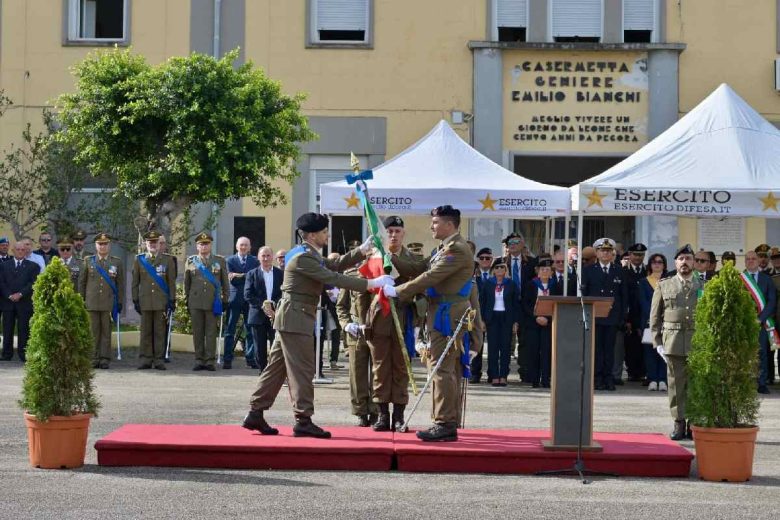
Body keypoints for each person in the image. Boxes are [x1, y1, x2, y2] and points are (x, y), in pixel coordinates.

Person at [242, 212, 392, 439]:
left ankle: (255, 412)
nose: (327, 235)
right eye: (324, 232)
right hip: (296, 318)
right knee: (302, 370)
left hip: (291, 316)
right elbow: (333, 277)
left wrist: (361, 251)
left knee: (276, 369)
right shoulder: (303, 258)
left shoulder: (304, 253)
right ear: (312, 235)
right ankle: (303, 420)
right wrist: (372, 283)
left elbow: (333, 264)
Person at [383, 206, 476, 442]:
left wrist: (398, 291)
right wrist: (390, 256)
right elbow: (418, 268)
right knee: (441, 368)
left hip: (448, 314)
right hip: (441, 311)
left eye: (435, 222)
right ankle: (444, 420)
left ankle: (444, 423)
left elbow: (430, 277)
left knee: (441, 368)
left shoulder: (456, 249)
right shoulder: (443, 248)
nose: (431, 226)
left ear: (449, 225)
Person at [366, 216, 420, 432]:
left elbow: (422, 290)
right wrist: (361, 321)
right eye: (389, 231)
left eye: (397, 231)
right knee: (380, 367)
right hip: (379, 319)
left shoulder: (413, 259)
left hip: (403, 318)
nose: (393, 235)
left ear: (403, 233)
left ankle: (398, 415)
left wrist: (418, 321)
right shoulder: (374, 256)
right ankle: (382, 414)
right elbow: (363, 290)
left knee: (401, 367)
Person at [650, 244, 702, 441]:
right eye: (681, 259)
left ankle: (694, 423)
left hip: (698, 341)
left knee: (696, 385)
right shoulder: (664, 285)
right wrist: (657, 342)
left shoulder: (703, 286)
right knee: (676, 385)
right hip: (673, 341)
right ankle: (679, 422)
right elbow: (655, 316)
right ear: (675, 263)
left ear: (694, 262)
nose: (684, 262)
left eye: (688, 259)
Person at [581, 238, 627, 391]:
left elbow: (623, 296)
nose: (605, 253)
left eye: (608, 251)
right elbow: (584, 294)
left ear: (613, 253)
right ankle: (597, 378)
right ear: (597, 253)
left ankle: (608, 378)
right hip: (595, 316)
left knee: (609, 350)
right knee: (597, 350)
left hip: (612, 316)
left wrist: (622, 317)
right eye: (602, 250)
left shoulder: (619, 270)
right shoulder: (589, 270)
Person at [336, 261, 378, 427]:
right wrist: (346, 324)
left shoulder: (381, 273)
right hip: (356, 330)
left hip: (377, 329)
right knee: (356, 372)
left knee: (377, 372)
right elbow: (341, 305)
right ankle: (360, 411)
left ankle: (375, 410)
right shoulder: (350, 275)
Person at [131, 231, 176, 371]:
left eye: (155, 242)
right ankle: (145, 359)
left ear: (159, 244)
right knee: (145, 332)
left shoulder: (167, 260)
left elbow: (171, 283)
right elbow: (135, 282)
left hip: (160, 302)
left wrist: (172, 299)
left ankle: (158, 360)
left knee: (159, 332)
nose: (152, 245)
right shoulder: (139, 260)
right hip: (145, 301)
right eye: (150, 242)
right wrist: (135, 299)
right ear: (146, 244)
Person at [78, 233, 124, 369]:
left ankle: (104, 358)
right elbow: (82, 282)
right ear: (95, 246)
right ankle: (93, 357)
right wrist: (81, 299)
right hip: (91, 302)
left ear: (109, 245)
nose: (102, 246)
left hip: (108, 303)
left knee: (106, 332)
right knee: (93, 331)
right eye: (100, 244)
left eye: (105, 244)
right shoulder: (88, 261)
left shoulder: (116, 262)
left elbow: (120, 284)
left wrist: (119, 301)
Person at [184, 232, 229, 371]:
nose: (204, 246)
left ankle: (210, 360)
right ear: (197, 246)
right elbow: (187, 283)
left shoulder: (219, 261)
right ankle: (199, 359)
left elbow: (225, 282)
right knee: (197, 332)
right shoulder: (191, 261)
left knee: (211, 332)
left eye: (206, 244)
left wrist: (225, 299)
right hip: (196, 301)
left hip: (213, 301)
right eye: (201, 244)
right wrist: (187, 300)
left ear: (210, 245)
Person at [521, 258, 560, 388]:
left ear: (551, 272)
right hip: (533, 323)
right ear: (538, 271)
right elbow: (526, 304)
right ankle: (534, 379)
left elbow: (557, 303)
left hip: (548, 323)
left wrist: (547, 318)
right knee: (533, 350)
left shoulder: (555, 285)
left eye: (547, 270)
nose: (544, 272)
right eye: (542, 269)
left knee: (547, 351)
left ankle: (546, 378)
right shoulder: (531, 284)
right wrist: (536, 317)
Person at [741, 249, 777, 394]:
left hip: (761, 323)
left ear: (758, 261)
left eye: (753, 259)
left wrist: (760, 318)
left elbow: (772, 301)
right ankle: (745, 383)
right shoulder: (739, 279)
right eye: (748, 259)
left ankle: (761, 383)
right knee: (744, 353)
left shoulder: (767, 279)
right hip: (744, 323)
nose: (751, 261)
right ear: (745, 262)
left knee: (761, 353)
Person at [244, 246, 283, 373]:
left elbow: (283, 293)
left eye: (268, 256)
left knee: (276, 345)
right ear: (258, 257)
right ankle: (263, 372)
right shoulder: (252, 274)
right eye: (263, 256)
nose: (266, 258)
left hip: (276, 314)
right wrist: (263, 306)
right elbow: (247, 294)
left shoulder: (280, 274)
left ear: (273, 257)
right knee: (259, 346)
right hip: (257, 315)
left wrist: (274, 306)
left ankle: (274, 371)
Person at [481, 258, 520, 387]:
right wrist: (482, 320)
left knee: (505, 347)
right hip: (492, 318)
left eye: (502, 267)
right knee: (492, 348)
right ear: (493, 270)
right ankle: (494, 375)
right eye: (497, 267)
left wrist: (515, 321)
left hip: (506, 318)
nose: (499, 270)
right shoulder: (488, 283)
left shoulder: (511, 284)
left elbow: (516, 304)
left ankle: (503, 375)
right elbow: (482, 302)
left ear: (505, 270)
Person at [223, 237, 259, 369]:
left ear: (250, 247)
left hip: (250, 300)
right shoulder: (229, 260)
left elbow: (255, 278)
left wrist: (239, 275)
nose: (243, 247)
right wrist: (247, 275)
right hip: (235, 299)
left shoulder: (255, 261)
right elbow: (232, 279)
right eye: (241, 245)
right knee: (230, 330)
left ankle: (250, 358)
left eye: (246, 245)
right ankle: (227, 358)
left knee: (250, 330)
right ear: (237, 247)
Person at [0, 242, 40, 361]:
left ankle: (23, 354)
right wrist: (9, 295)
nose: (21, 251)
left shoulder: (33, 266)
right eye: (18, 249)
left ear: (26, 251)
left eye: (23, 249)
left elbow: (32, 283)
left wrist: (20, 294)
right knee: (7, 329)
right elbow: (1, 282)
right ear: (13, 250)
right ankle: (7, 354)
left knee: (24, 329)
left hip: (24, 302)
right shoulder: (3, 265)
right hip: (8, 302)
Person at [639, 253, 668, 392]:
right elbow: (643, 302)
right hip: (648, 321)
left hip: (666, 321)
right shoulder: (644, 282)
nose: (657, 264)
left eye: (660, 262)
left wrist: (663, 317)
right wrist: (653, 318)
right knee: (650, 352)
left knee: (664, 351)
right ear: (650, 265)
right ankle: (652, 379)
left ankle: (662, 379)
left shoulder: (669, 281)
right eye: (654, 262)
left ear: (664, 265)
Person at [621, 243, 648, 385]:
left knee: (644, 344)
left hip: (644, 313)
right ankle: (632, 372)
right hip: (630, 313)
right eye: (635, 254)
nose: (638, 257)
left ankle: (643, 372)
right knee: (630, 344)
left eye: (641, 255)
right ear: (630, 255)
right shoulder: (623, 272)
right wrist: (625, 318)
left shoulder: (648, 271)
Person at [471, 247, 494, 383]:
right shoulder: (473, 275)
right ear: (478, 260)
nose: (485, 260)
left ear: (492, 260)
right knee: (476, 344)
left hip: (493, 316)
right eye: (482, 258)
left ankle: (493, 374)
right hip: (476, 315)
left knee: (493, 347)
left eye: (488, 258)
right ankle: (475, 373)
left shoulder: (497, 274)